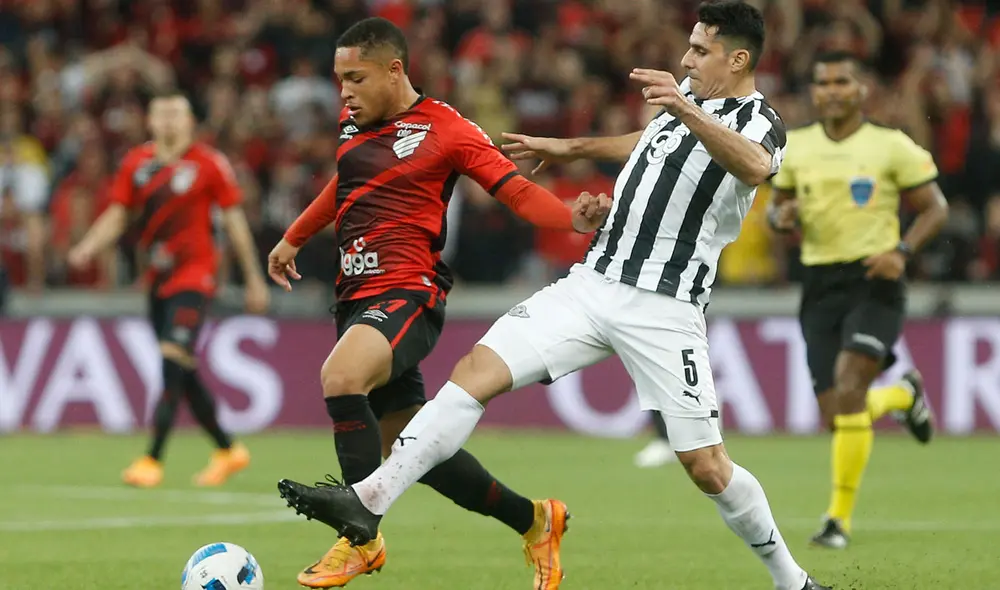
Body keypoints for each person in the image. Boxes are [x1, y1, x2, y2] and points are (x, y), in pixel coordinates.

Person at [275, 3, 829, 589]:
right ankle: (369, 502)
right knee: (474, 372)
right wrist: (568, 148)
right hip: (592, 285)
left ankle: (791, 580)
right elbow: (642, 143)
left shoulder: (757, 119)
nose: (686, 59)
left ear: (738, 58)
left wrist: (685, 106)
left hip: (665, 308)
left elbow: (755, 167)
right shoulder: (678, 116)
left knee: (706, 466)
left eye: (700, 51)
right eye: (688, 47)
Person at [265, 17, 609, 590]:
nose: (344, 91)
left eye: (355, 77)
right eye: (338, 79)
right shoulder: (354, 127)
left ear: (394, 70)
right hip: (354, 296)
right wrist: (295, 235)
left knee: (341, 376)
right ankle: (536, 520)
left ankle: (359, 538)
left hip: (408, 292)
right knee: (416, 449)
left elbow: (513, 188)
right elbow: (344, 183)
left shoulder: (445, 128)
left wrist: (569, 217)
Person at [768, 51, 948, 549]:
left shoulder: (891, 146)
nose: (831, 90)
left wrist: (903, 251)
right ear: (814, 91)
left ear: (861, 89)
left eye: (841, 81)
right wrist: (779, 219)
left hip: (876, 279)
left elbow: (936, 208)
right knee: (837, 415)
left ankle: (836, 521)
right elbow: (779, 208)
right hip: (820, 285)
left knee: (849, 390)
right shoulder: (796, 147)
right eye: (822, 82)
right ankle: (902, 396)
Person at [68, 90, 270, 488]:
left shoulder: (209, 163)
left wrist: (253, 278)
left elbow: (234, 222)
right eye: (161, 114)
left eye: (176, 113)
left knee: (172, 356)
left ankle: (151, 458)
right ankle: (229, 450)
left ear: (191, 121)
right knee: (181, 368)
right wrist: (88, 246)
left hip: (195, 277)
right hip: (157, 281)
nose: (168, 121)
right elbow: (119, 213)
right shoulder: (137, 164)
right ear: (150, 121)